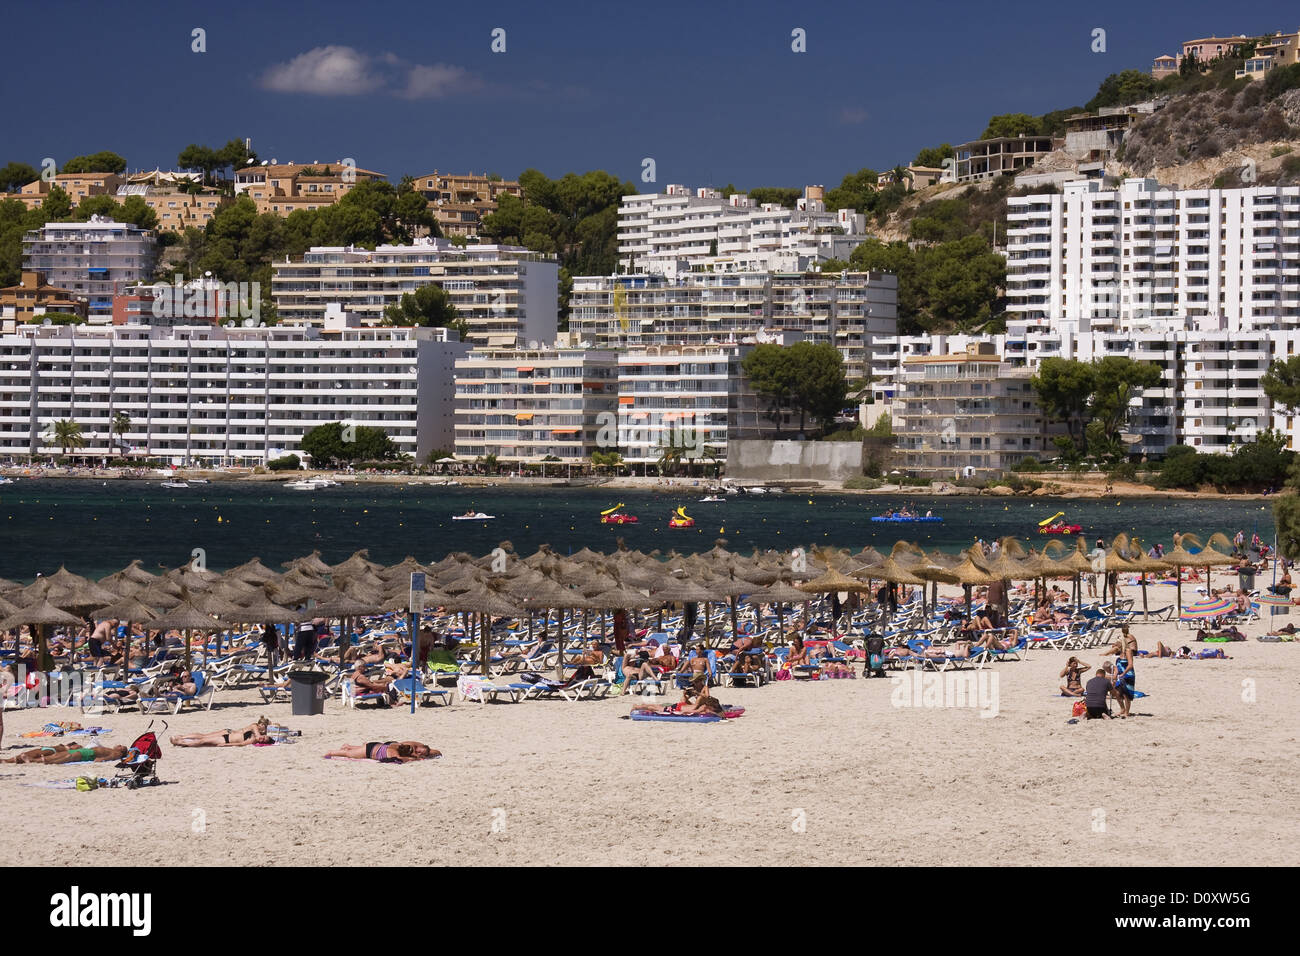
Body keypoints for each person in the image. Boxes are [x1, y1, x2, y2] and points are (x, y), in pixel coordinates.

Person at [171, 717, 273, 747]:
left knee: (204, 737)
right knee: (204, 737)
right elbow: (258, 736)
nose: (262, 728)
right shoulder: (255, 727)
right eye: (263, 726)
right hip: (229, 733)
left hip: (229, 733)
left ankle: (182, 737)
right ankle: (182, 739)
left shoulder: (254, 731)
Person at [3, 743, 128, 764]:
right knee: (58, 755)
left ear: (122, 750)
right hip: (86, 751)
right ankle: (9, 760)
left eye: (121, 746)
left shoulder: (116, 753)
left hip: (88, 754)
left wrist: (101, 760)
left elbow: (109, 757)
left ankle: (34, 761)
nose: (119, 745)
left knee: (67, 757)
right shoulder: (111, 749)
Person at [324, 741, 438, 762]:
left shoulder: (397, 745)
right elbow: (400, 758)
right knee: (348, 755)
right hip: (369, 751)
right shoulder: (395, 754)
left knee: (352, 751)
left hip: (375, 745)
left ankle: (348, 746)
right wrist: (412, 759)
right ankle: (331, 752)